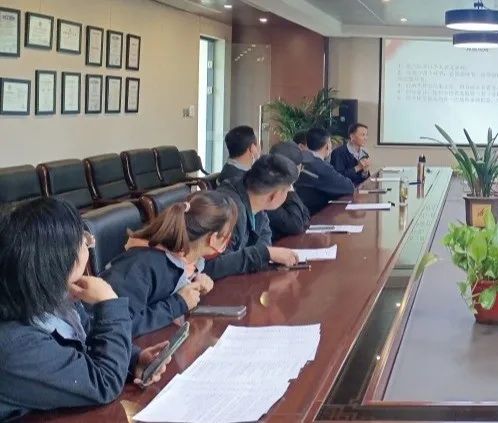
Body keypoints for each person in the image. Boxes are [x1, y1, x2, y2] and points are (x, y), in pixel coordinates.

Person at [0, 198, 170, 420]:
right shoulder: (15, 345)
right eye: (84, 242)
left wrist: (134, 359)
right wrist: (109, 303)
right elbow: (104, 383)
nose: (89, 245)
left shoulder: (49, 295)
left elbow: (87, 339)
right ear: (57, 261)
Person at [102, 191, 237, 336]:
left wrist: (193, 281)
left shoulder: (188, 261)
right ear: (214, 238)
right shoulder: (140, 266)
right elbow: (117, 327)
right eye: (228, 232)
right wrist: (178, 303)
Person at [204, 154, 301, 279]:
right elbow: (209, 267)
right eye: (287, 191)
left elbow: (265, 236)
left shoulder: (255, 201)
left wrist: (264, 253)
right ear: (275, 196)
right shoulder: (229, 211)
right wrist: (265, 253)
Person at [296, 127, 356, 215]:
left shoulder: (300, 160)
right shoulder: (320, 166)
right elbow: (349, 187)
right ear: (327, 146)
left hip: (300, 211)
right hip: (314, 215)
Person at [266, 142, 312, 239]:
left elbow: (305, 215)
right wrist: (291, 192)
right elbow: (296, 225)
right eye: (300, 166)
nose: (302, 169)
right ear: (291, 168)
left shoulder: (285, 186)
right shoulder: (267, 190)